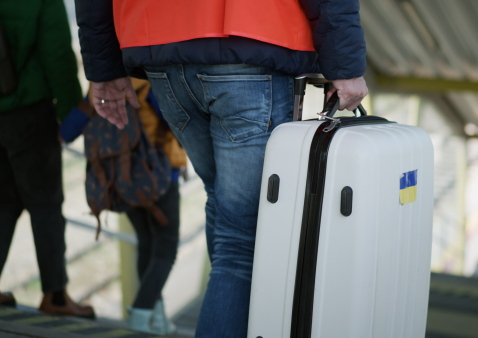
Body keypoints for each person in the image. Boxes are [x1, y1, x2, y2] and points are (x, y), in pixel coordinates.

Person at [74, 0, 368, 336]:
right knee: (243, 239)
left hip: (160, 55)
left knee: (224, 210)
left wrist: (105, 69)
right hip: (251, 45)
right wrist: (345, 66)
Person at [59, 78, 187, 334]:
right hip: (159, 174)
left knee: (147, 244)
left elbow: (68, 131)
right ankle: (140, 316)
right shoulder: (152, 81)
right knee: (166, 248)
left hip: (122, 182)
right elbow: (179, 124)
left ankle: (157, 319)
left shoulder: (102, 85)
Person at [0, 0, 94, 318]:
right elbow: (57, 57)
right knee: (46, 206)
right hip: (30, 112)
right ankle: (55, 295)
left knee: (4, 202)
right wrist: (70, 117)